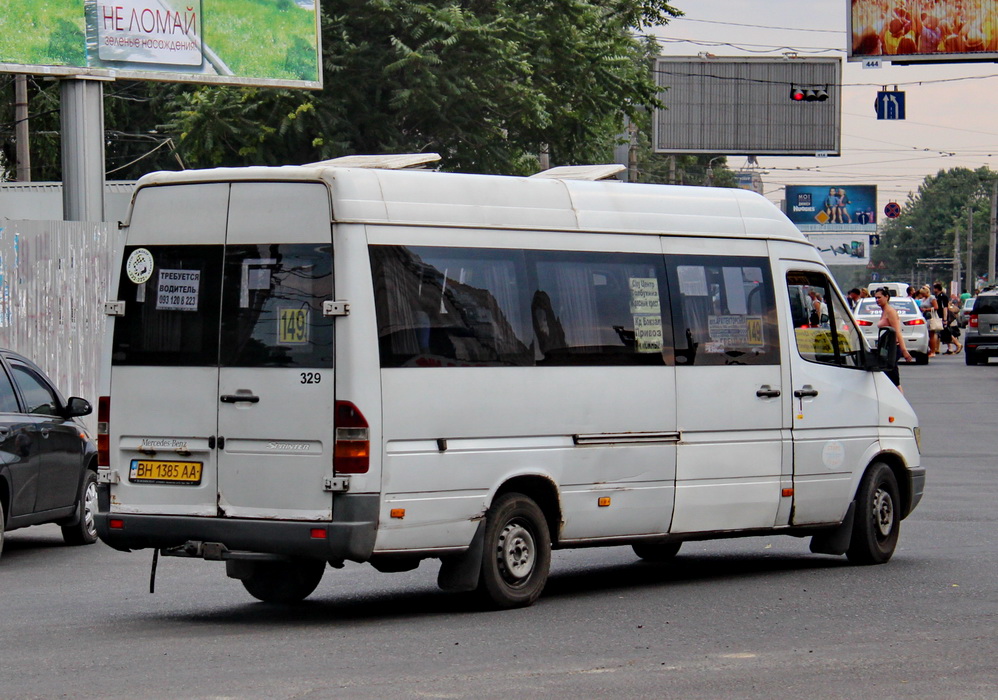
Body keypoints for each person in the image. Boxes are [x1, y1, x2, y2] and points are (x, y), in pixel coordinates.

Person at [875, 287, 914, 392]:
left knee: (893, 377)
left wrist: (904, 350)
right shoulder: (884, 311)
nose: (877, 300)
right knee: (888, 376)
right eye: (876, 298)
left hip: (893, 348)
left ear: (886, 297)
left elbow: (897, 332)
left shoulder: (890, 311)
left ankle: (900, 399)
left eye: (879, 297)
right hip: (886, 348)